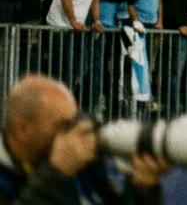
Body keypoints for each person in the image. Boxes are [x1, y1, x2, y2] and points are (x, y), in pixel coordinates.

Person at [0, 76, 169, 205]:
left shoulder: (81, 169)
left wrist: (143, 192)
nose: (72, 135)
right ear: (23, 129)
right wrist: (56, 172)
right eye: (64, 126)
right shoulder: (63, 165)